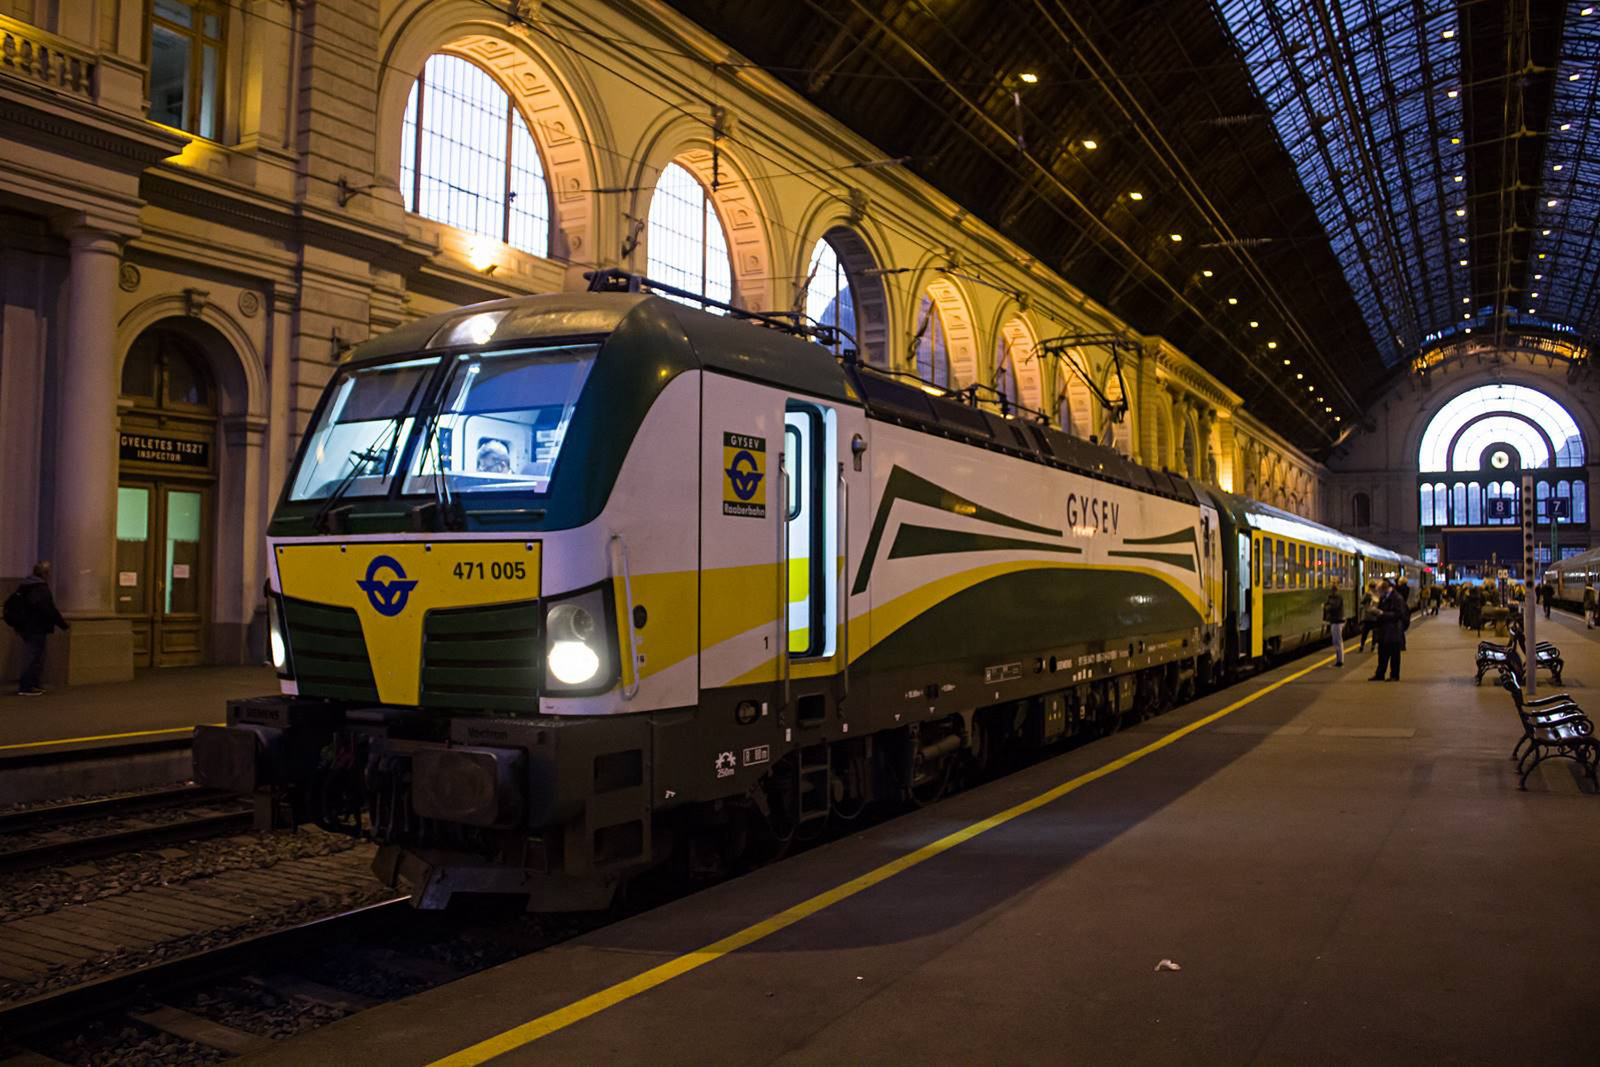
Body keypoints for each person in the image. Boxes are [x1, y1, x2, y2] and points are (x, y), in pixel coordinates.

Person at [5, 561, 68, 696]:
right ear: (44, 574)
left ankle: (32, 684)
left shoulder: (25, 586)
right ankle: (27, 686)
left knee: (34, 656)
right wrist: (62, 624)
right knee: (33, 656)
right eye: (48, 573)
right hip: (37, 627)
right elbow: (48, 609)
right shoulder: (40, 588)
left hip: (26, 627)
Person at [1369, 579, 1408, 682]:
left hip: (1393, 630)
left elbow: (1398, 614)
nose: (1379, 593)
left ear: (1385, 589)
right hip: (1384, 630)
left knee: (1394, 654)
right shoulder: (1384, 597)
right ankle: (1380, 674)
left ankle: (1394, 675)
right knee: (1382, 653)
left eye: (1379, 590)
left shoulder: (1397, 598)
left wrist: (1382, 614)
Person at [1322, 583, 1346, 666]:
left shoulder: (1337, 597)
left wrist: (1326, 607)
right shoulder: (1333, 597)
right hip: (1335, 621)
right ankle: (1339, 660)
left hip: (1337, 621)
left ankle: (1340, 661)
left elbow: (1333, 607)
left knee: (1338, 641)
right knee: (1336, 641)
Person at [1358, 582, 1380, 651]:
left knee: (1365, 632)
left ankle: (1362, 646)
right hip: (1375, 616)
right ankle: (1373, 646)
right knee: (1375, 632)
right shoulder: (1378, 594)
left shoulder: (1367, 594)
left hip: (1367, 616)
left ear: (1369, 587)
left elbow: (1361, 601)